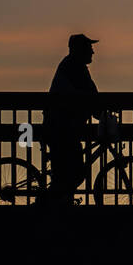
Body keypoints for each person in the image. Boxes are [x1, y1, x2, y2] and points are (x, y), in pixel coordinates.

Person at [45, 34, 101, 205]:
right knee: (74, 171)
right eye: (89, 48)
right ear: (79, 50)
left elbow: (90, 94)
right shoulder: (73, 67)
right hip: (61, 127)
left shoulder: (74, 66)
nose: (92, 51)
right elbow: (88, 95)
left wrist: (99, 109)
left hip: (63, 126)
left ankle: (59, 201)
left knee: (68, 171)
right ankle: (48, 202)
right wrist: (101, 111)